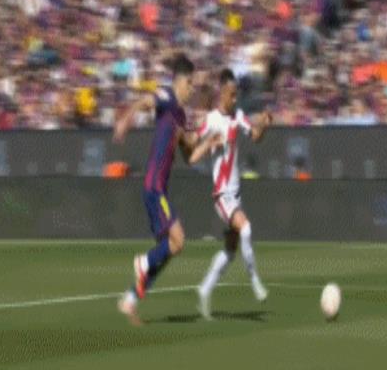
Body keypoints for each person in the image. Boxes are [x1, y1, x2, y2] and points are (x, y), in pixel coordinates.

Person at [114, 53, 220, 325]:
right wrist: (125, 120)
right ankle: (143, 262)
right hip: (154, 187)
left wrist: (208, 143)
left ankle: (130, 299)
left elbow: (190, 155)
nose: (192, 89)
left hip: (158, 188)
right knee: (177, 241)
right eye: (190, 84)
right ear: (180, 81)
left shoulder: (182, 116)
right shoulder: (167, 97)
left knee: (169, 249)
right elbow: (144, 101)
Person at [189, 69, 272, 320]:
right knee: (246, 228)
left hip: (235, 194)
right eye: (231, 94)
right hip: (222, 194)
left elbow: (255, 137)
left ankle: (204, 290)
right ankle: (254, 281)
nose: (235, 99)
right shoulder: (212, 120)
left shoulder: (238, 116)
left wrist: (264, 124)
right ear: (221, 92)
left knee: (230, 251)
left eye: (236, 95)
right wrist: (208, 143)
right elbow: (192, 154)